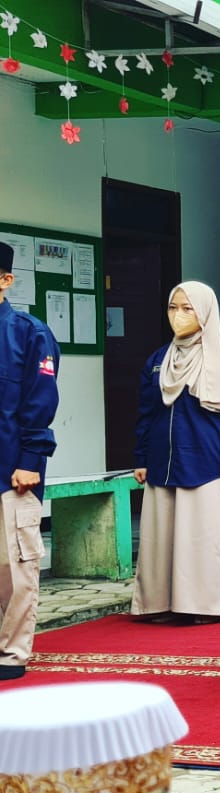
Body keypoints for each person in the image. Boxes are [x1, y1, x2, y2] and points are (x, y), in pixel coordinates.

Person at [132, 281, 220, 625]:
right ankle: (158, 604)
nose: (179, 315)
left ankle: (203, 606)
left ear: (204, 312)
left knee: (202, 538)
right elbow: (147, 412)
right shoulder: (159, 360)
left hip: (208, 462)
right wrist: (141, 457)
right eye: (173, 308)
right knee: (160, 538)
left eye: (188, 308)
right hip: (162, 460)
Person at [0, 242, 60, 682]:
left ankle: (11, 651)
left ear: (5, 280)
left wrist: (31, 458)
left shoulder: (28, 333)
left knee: (15, 567)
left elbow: (40, 401)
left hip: (12, 470)